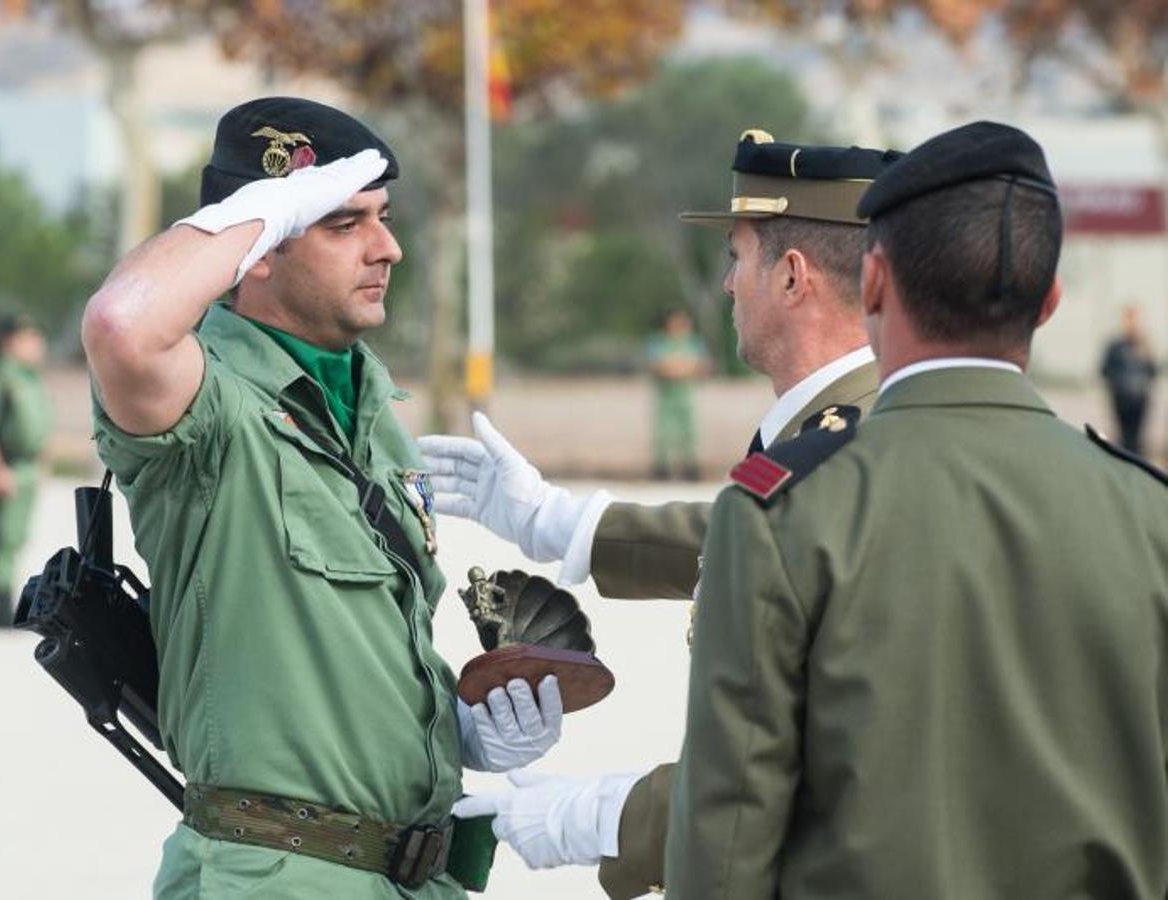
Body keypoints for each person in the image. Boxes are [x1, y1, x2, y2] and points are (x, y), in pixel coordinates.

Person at [664, 121, 1168, 898]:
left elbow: (725, 858)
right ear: (1048, 303)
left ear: (872, 283)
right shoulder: (1148, 515)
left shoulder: (784, 512)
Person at [81, 97, 564, 899]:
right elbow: (121, 324)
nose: (387, 248)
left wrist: (459, 729)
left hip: (414, 876)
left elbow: (349, 650)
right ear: (257, 253)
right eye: (343, 224)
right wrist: (264, 210)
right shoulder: (213, 412)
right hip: (281, 875)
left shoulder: (371, 413)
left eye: (383, 219)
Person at [421, 131, 899, 898]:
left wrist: (608, 818)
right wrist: (557, 522)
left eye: (736, 258)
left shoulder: (854, 445)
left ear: (791, 276)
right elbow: (755, 536)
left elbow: (833, 759)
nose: (726, 285)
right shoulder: (836, 431)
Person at [0, 314, 52, 628]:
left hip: (27, 468)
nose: (36, 346)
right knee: (4, 538)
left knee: (17, 537)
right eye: (28, 339)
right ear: (9, 342)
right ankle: (2, 607)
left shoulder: (30, 378)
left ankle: (10, 602)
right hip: (9, 467)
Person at [645, 307, 708, 481]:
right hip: (666, 396)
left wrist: (674, 367)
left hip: (685, 395)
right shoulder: (658, 341)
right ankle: (661, 468)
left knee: (689, 433)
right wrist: (683, 368)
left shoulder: (694, 342)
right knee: (663, 433)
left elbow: (701, 367)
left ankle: (690, 467)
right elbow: (658, 367)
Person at [1099, 305, 1157, 455]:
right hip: (1121, 399)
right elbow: (1104, 370)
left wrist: (1145, 356)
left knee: (1137, 440)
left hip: (1140, 400)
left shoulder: (1144, 346)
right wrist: (1117, 385)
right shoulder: (1115, 346)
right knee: (1124, 437)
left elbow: (1153, 372)